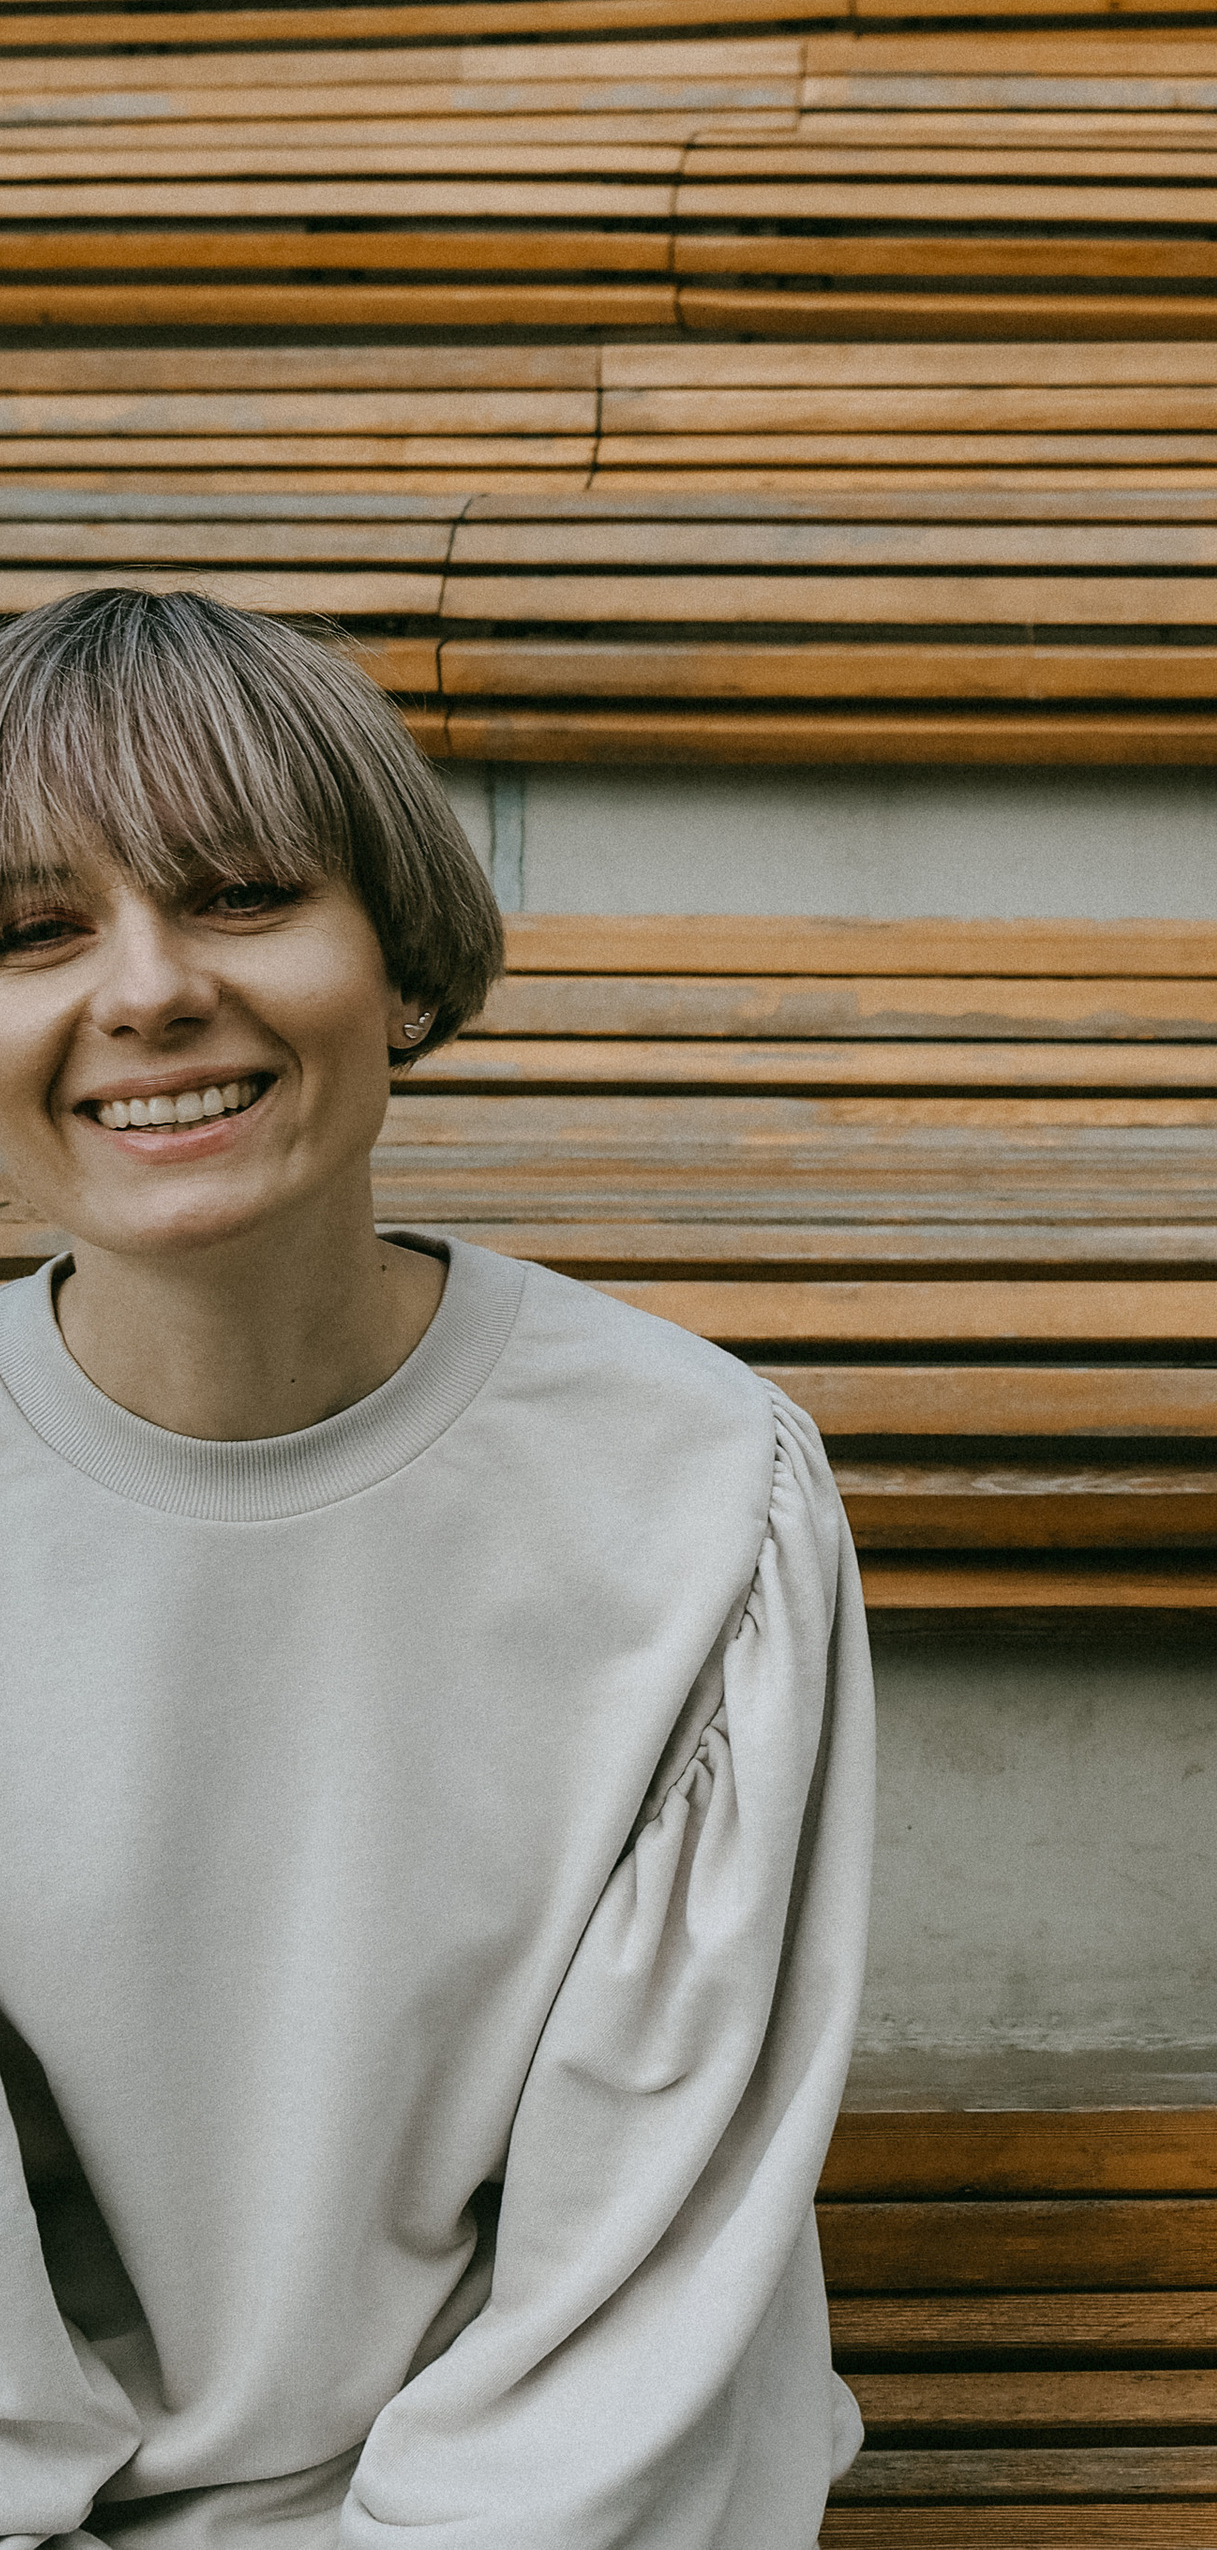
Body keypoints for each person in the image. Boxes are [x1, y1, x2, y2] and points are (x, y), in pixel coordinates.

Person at [0, 589, 874, 2544]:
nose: (143, 990)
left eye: (236, 892)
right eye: (29, 929)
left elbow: (641, 2271)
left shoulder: (697, 1493)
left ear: (396, 961)